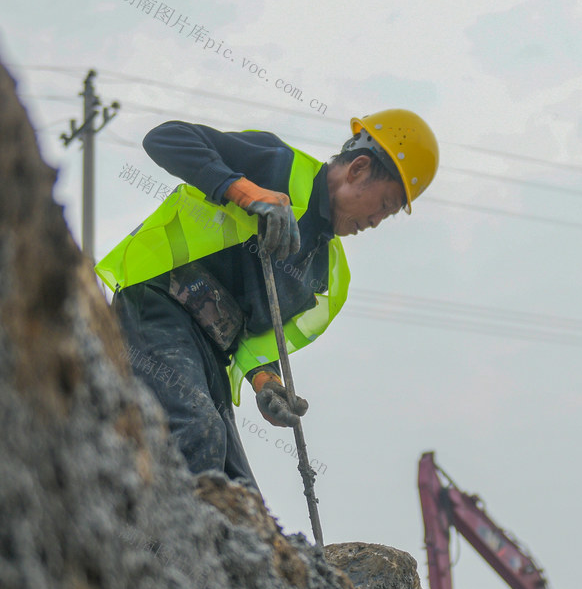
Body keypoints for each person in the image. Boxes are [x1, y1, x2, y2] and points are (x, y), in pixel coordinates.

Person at [96, 110, 438, 491]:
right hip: (158, 307)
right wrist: (245, 192)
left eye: (388, 215)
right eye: (385, 204)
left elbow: (256, 335)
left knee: (240, 493)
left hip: (210, 352)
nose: (377, 221)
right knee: (197, 433)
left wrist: (267, 382)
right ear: (358, 169)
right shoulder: (278, 166)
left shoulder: (323, 269)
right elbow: (164, 138)